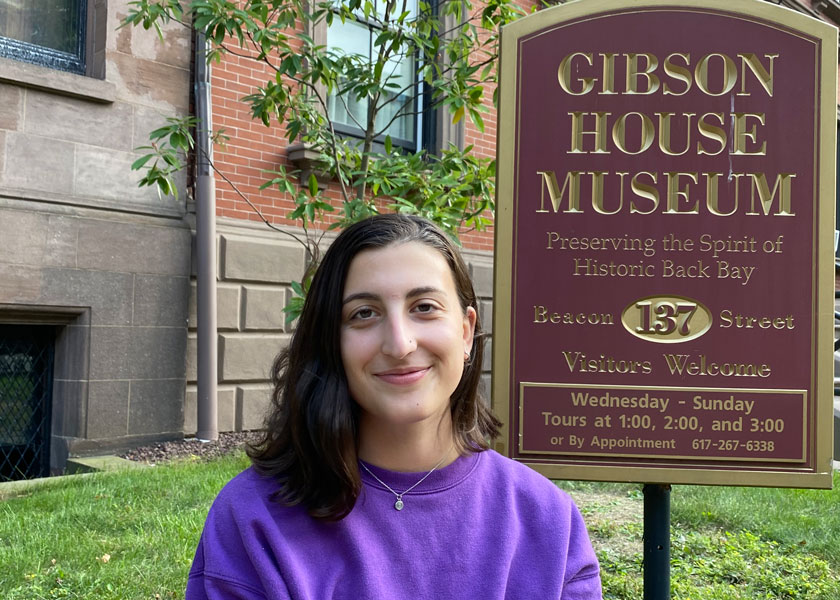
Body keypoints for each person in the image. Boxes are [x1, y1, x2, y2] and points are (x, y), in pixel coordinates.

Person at [186, 214, 602, 599]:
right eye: (364, 314)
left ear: (465, 331)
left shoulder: (549, 522)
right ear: (331, 341)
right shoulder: (254, 519)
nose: (400, 344)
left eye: (424, 308)